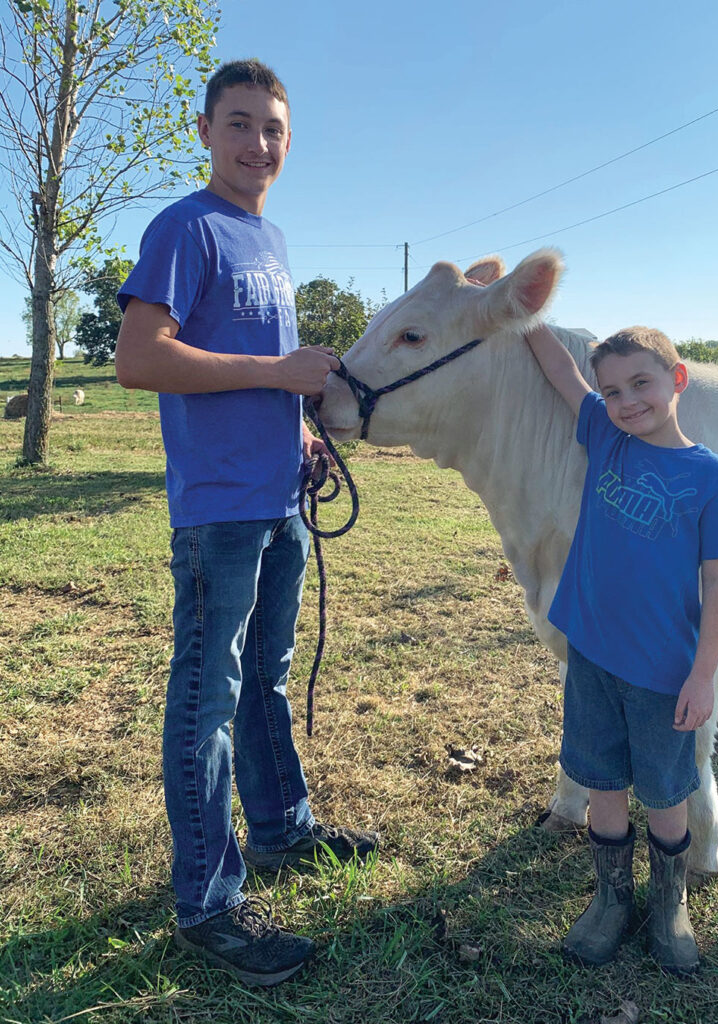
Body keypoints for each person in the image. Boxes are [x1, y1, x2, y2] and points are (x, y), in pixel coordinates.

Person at [115, 59, 378, 988]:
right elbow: (140, 358)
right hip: (219, 512)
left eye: (271, 128)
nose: (256, 143)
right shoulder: (185, 226)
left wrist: (301, 424)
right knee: (206, 698)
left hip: (277, 499)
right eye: (238, 124)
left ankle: (279, 831)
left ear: (287, 141)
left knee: (262, 680)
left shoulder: (268, 238)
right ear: (205, 131)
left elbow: (268, 363)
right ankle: (207, 903)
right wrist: (277, 377)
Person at [524, 323, 718, 975]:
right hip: (590, 655)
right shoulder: (605, 438)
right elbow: (563, 375)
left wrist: (702, 677)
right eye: (612, 390)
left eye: (640, 383)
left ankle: (668, 904)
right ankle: (610, 900)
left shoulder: (708, 476)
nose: (626, 401)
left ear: (676, 379)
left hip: (662, 673)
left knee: (664, 792)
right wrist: (514, 309)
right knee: (601, 782)